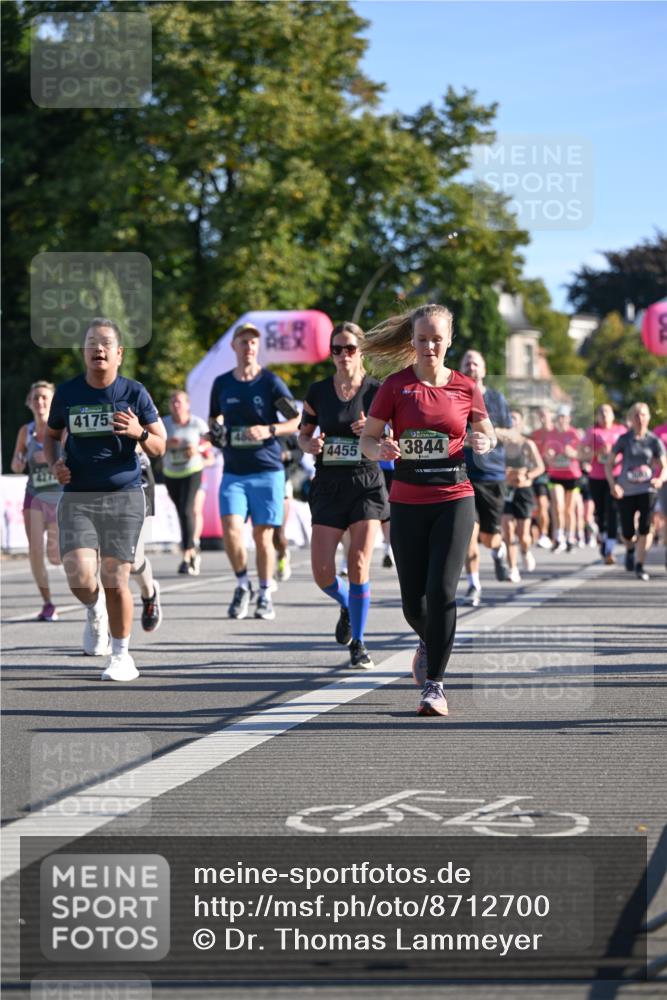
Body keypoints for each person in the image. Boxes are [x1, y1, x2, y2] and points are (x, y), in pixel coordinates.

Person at [361, 303, 496, 716]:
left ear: (449, 340)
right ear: (413, 341)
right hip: (406, 500)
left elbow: (484, 428)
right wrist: (378, 448)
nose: (430, 346)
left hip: (455, 497)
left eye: (437, 339)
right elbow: (367, 438)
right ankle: (429, 640)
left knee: (441, 593)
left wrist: (484, 441)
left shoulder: (465, 387)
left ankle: (434, 685)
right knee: (413, 604)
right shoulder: (394, 386)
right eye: (422, 340)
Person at [44, 318, 166, 682]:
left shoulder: (134, 393)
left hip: (124, 494)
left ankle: (121, 656)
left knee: (115, 577)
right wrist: (55, 463)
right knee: (81, 578)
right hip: (78, 494)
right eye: (91, 343)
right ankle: (95, 610)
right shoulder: (67, 393)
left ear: (119, 354)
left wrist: (138, 432)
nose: (98, 348)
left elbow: (160, 445)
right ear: (84, 352)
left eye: (106, 343)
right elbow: (50, 435)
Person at [298, 321, 389, 669]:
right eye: (336, 349)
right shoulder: (319, 391)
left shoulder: (376, 391)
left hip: (365, 482)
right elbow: (302, 437)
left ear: (361, 351)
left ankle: (360, 644)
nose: (342, 355)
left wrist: (372, 431)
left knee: (359, 564)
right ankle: (348, 605)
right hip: (328, 484)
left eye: (349, 348)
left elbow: (389, 437)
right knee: (322, 572)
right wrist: (311, 444)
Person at [208, 322, 300, 621]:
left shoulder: (270, 382)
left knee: (263, 537)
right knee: (231, 531)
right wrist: (217, 431)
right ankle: (242, 583)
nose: (248, 346)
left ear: (257, 348)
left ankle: (264, 593)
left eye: (253, 342)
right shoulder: (222, 383)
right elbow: (214, 419)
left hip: (267, 469)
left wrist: (270, 429)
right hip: (234, 470)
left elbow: (296, 421)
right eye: (243, 341)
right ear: (234, 347)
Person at [460, 349, 512, 606]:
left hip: (492, 473)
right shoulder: (455, 395)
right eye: (466, 363)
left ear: (484, 369)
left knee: (489, 537)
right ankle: (474, 584)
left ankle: (498, 551)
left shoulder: (496, 398)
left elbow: (510, 433)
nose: (471, 366)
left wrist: (486, 435)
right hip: (463, 474)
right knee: (470, 532)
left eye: (475, 363)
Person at [10, 381, 62, 620]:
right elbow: (16, 463)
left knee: (55, 555)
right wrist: (19, 464)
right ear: (29, 403)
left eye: (44, 397)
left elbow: (73, 460)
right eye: (35, 398)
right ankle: (48, 603)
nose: (39, 402)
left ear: (51, 401)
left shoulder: (61, 429)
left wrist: (52, 461)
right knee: (35, 551)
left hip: (58, 496)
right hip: (34, 496)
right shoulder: (25, 431)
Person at [605, 402, 666, 581]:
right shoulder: (624, 439)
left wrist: (660, 478)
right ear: (631, 419)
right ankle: (630, 549)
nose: (640, 419)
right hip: (626, 490)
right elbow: (609, 464)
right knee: (627, 531)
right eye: (637, 415)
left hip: (647, 489)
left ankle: (640, 565)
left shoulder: (654, 441)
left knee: (645, 528)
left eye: (644, 415)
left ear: (649, 418)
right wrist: (613, 485)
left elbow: (664, 465)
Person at [163, 390, 210, 575]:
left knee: (187, 509)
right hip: (171, 472)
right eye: (173, 402)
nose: (176, 405)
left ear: (187, 405)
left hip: (192, 470)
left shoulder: (196, 423)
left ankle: (188, 553)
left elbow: (211, 440)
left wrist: (197, 448)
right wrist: (168, 444)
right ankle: (191, 549)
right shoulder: (164, 423)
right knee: (181, 511)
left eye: (179, 402)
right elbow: (153, 442)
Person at [501, 410, 545, 582]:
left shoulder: (527, 444)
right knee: (508, 531)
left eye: (515, 418)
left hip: (524, 491)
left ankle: (526, 551)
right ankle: (512, 568)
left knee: (523, 535)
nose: (512, 421)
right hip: (507, 491)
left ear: (520, 423)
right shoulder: (500, 445)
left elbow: (540, 467)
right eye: (509, 418)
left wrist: (526, 475)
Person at [579, 404, 625, 564]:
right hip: (597, 477)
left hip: (616, 477)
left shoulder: (621, 431)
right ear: (597, 416)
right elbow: (581, 453)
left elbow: (629, 451)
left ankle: (609, 549)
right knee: (600, 512)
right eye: (601, 412)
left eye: (607, 412)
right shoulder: (593, 432)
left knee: (613, 510)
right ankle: (604, 539)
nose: (604, 415)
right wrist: (596, 452)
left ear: (613, 415)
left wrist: (616, 455)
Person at [543, 404, 583, 552]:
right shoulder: (551, 433)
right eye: (559, 417)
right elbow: (545, 454)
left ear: (569, 418)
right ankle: (558, 537)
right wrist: (550, 455)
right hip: (556, 475)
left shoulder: (574, 434)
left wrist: (570, 453)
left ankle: (570, 536)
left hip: (573, 475)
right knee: (558, 506)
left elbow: (581, 454)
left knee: (569, 509)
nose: (561, 420)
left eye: (564, 417)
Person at [530, 407, 555, 549]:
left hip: (559, 473)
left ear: (551, 416)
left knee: (558, 507)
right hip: (541, 473)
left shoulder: (557, 432)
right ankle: (544, 535)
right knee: (542, 504)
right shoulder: (535, 434)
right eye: (540, 415)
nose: (542, 418)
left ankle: (560, 534)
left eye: (545, 415)